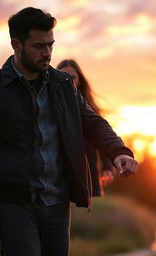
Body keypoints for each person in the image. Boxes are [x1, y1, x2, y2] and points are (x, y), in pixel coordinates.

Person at [0, 7, 138, 256]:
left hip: (57, 203)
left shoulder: (63, 85)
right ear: (16, 44)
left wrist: (118, 152)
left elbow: (92, 122)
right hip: (14, 203)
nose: (47, 53)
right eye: (39, 46)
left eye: (51, 45)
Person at [57, 59, 114, 196]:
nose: (68, 80)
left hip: (85, 165)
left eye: (72, 77)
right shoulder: (48, 104)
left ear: (80, 80)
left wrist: (108, 167)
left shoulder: (88, 108)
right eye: (63, 76)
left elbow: (100, 135)